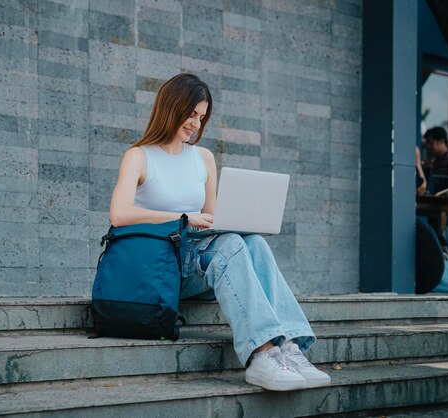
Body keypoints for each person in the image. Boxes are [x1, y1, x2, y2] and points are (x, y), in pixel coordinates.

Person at [108, 73, 331, 391]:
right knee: (228, 246)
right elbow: (119, 214)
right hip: (163, 265)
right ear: (171, 108)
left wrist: (228, 220)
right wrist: (186, 218)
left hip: (201, 260)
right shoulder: (139, 156)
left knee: (251, 241)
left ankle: (291, 347)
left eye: (202, 116)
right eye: (191, 114)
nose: (196, 123)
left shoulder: (203, 159)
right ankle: (261, 353)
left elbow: (213, 220)